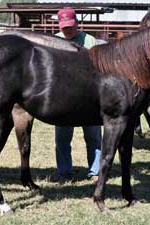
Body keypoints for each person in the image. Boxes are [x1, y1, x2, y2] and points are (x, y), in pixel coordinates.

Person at [53, 7, 102, 183]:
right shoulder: (54, 41)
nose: (68, 30)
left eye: (71, 26)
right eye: (64, 26)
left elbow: (99, 68)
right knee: (62, 138)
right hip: (63, 98)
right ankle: (64, 172)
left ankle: (95, 171)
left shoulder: (89, 41)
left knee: (93, 136)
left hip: (89, 96)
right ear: (59, 25)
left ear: (77, 23)